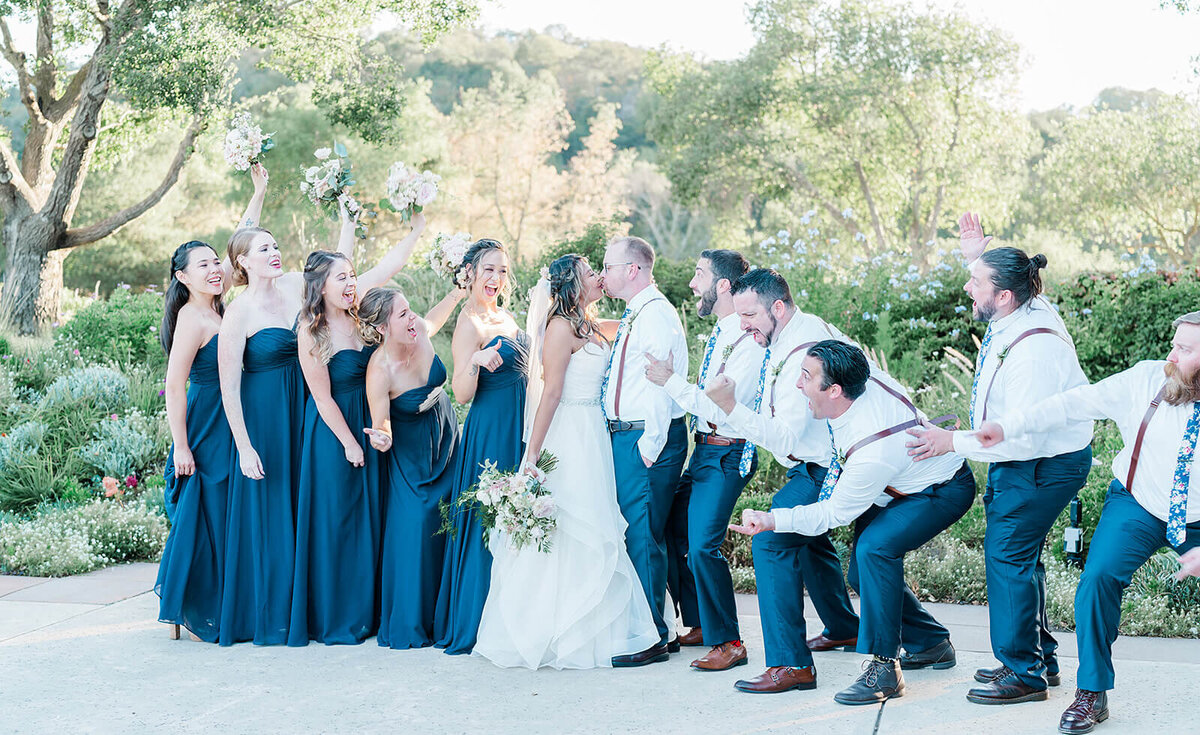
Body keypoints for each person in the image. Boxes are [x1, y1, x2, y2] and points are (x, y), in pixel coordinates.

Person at [975, 311, 1200, 734]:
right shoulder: (1144, 380)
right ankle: (1091, 694)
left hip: (1198, 519)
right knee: (1096, 581)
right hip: (1140, 504)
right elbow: (1071, 403)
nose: (1170, 355)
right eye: (1174, 343)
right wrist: (1008, 426)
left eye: (1184, 349)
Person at [905, 212, 1093, 704]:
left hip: (1037, 464)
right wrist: (976, 254)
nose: (968, 287)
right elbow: (1005, 277)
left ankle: (1024, 674)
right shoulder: (1023, 305)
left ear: (1004, 295)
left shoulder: (1033, 354)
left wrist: (952, 443)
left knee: (1008, 557)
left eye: (975, 281)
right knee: (1022, 559)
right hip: (1035, 460)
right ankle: (1038, 658)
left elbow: (1021, 439)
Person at [729, 341, 975, 705]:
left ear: (835, 390)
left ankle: (884, 671)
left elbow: (834, 514)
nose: (798, 385)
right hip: (895, 485)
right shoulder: (862, 379)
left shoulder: (871, 447)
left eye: (807, 377)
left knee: (874, 550)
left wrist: (772, 519)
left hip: (941, 489)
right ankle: (931, 643)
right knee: (862, 574)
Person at [473, 254, 660, 669]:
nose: (598, 277)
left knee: (598, 520)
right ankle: (556, 631)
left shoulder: (590, 324)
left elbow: (631, 330)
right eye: (591, 272)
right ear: (573, 284)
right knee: (575, 525)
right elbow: (551, 392)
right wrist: (532, 455)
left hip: (594, 431)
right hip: (570, 433)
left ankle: (597, 629)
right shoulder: (560, 328)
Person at [694, 268, 862, 693]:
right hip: (814, 460)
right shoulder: (792, 333)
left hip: (830, 464)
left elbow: (784, 434)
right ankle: (852, 628)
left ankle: (792, 665)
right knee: (808, 540)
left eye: (749, 314)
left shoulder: (802, 353)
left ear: (779, 308)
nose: (741, 322)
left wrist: (731, 407)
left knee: (771, 541)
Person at [216, 168, 355, 646]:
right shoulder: (237, 312)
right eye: (264, 249)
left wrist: (347, 218)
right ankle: (270, 614)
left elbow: (340, 268)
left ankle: (311, 611)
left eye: (276, 247)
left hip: (304, 414)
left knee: (303, 510)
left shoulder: (296, 288)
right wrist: (244, 447)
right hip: (263, 421)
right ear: (244, 263)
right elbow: (228, 388)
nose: (274, 253)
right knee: (270, 514)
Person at [288, 211, 427, 646]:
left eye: (351, 276)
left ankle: (369, 612)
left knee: (372, 516)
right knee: (337, 520)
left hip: (372, 423)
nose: (350, 284)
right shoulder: (312, 331)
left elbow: (391, 265)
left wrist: (417, 230)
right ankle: (334, 615)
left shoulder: (364, 310)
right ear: (320, 287)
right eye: (340, 279)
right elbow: (321, 397)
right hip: (332, 434)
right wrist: (349, 443)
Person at [643, 249, 764, 671]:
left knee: (702, 548)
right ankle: (697, 622)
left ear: (724, 286)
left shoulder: (748, 345)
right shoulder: (722, 334)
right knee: (675, 527)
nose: (693, 284)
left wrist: (668, 380)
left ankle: (730, 641)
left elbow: (720, 409)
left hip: (727, 454)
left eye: (699, 275)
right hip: (704, 450)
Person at [434, 239, 529, 655]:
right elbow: (460, 391)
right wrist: (473, 362)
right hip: (490, 430)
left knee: (519, 517)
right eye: (488, 269)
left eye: (502, 271)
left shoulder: (507, 317)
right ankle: (477, 618)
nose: (495, 278)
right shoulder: (469, 323)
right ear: (470, 272)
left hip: (519, 425)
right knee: (490, 520)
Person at [598, 236, 689, 667]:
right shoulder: (639, 312)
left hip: (643, 438)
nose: (604, 273)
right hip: (628, 436)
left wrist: (649, 447)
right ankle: (660, 628)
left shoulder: (655, 317)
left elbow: (659, 384)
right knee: (641, 534)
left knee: (643, 537)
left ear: (632, 269)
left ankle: (651, 636)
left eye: (609, 265)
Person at [360, 285, 465, 650]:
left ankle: (453, 616)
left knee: (457, 517)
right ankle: (414, 621)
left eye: (410, 310)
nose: (412, 318)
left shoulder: (418, 329)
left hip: (446, 438)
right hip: (410, 455)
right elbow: (382, 421)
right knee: (418, 527)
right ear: (382, 328)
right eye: (403, 314)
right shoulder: (379, 370)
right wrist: (382, 439)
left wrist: (456, 293)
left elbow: (433, 318)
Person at [155, 240, 232, 643]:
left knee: (220, 515)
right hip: (205, 423)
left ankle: (208, 600)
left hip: (232, 419)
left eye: (216, 262)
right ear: (183, 277)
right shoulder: (191, 317)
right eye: (204, 265)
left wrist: (257, 191)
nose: (215, 269)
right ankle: (185, 606)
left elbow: (244, 241)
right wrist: (181, 445)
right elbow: (174, 384)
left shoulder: (219, 306)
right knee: (201, 514)